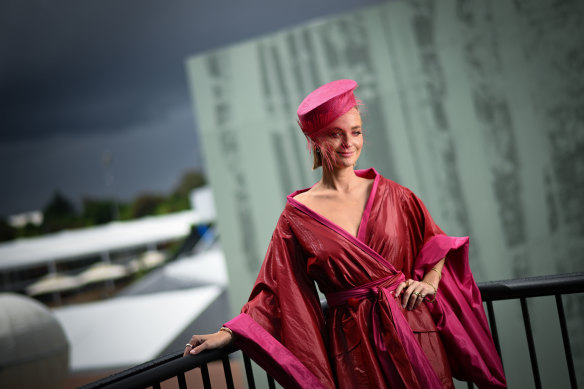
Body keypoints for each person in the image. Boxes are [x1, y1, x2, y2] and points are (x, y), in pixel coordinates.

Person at [184, 79, 506, 388]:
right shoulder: (297, 218)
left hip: (415, 331)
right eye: (335, 134)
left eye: (356, 131)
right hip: (355, 350)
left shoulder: (396, 196)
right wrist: (229, 333)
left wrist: (429, 284)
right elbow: (273, 292)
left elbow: (435, 244)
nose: (349, 143)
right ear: (315, 141)